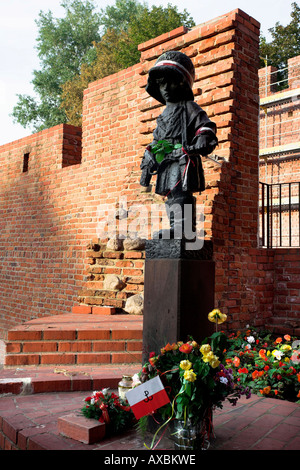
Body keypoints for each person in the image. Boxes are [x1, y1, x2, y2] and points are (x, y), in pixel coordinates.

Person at [140, 50, 218, 240]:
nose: (165, 87)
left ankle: (185, 230)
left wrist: (202, 138)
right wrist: (149, 156)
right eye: (161, 83)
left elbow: (205, 126)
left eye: (170, 81)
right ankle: (176, 227)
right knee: (171, 195)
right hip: (166, 160)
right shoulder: (162, 116)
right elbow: (156, 140)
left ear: (182, 83)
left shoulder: (189, 108)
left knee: (180, 192)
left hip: (183, 158)